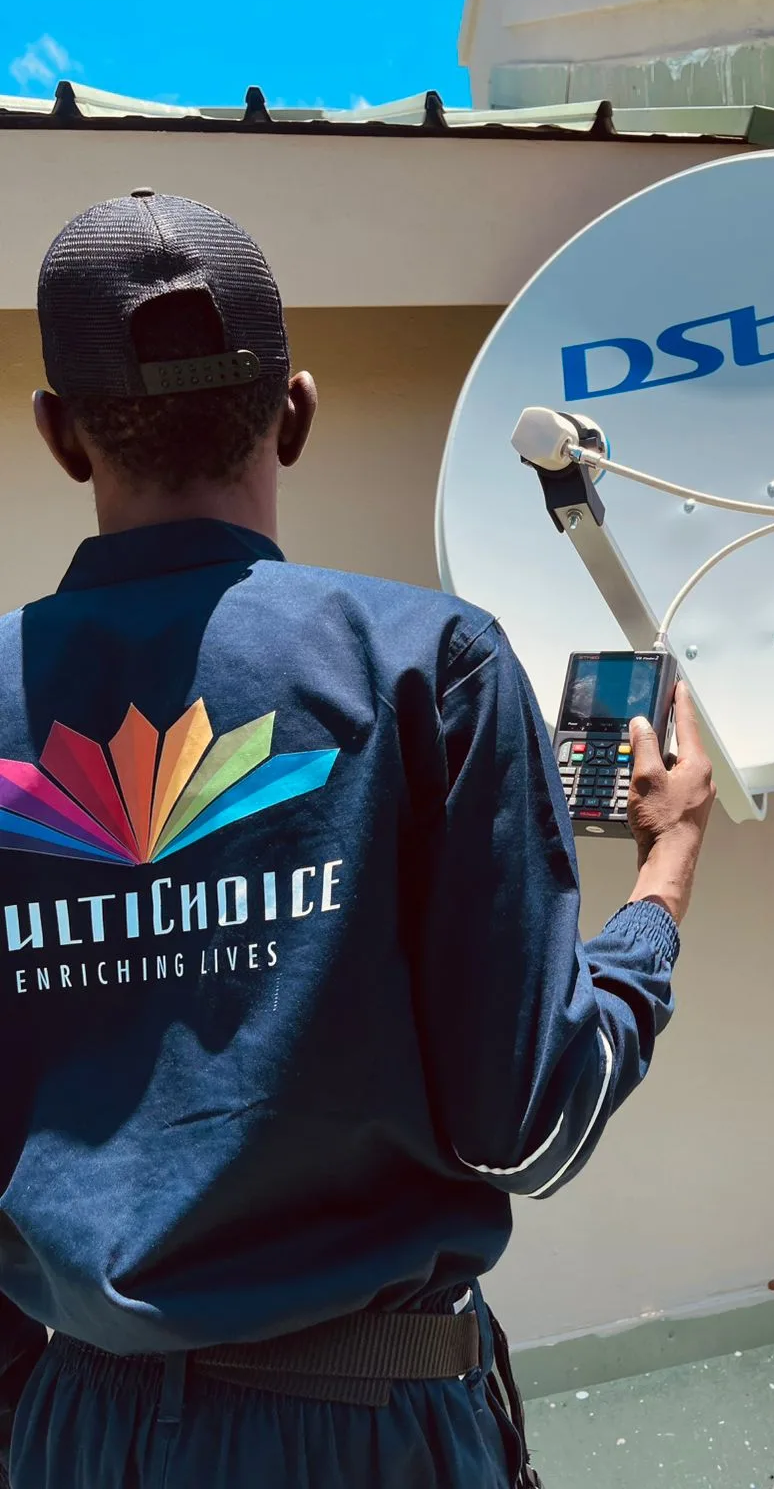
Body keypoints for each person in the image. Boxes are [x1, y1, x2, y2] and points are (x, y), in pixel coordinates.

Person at [0, 191, 715, 1488]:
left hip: (72, 1427)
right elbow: (528, 1130)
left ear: (57, 433)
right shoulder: (431, 668)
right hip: (366, 1429)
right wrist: (661, 877)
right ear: (296, 412)